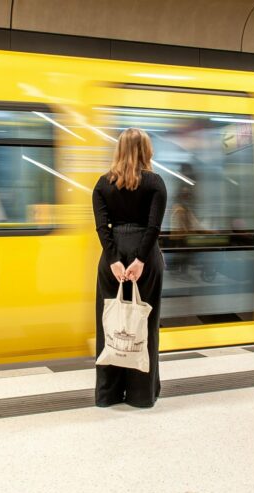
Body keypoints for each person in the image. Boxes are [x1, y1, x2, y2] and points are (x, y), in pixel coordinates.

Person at [92, 128, 167, 408]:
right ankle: (140, 395)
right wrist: (140, 260)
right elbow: (154, 227)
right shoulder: (156, 183)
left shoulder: (102, 184)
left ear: (119, 150)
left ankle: (107, 394)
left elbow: (102, 227)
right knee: (144, 325)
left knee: (109, 324)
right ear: (146, 151)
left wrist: (113, 260)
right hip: (145, 256)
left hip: (111, 259)